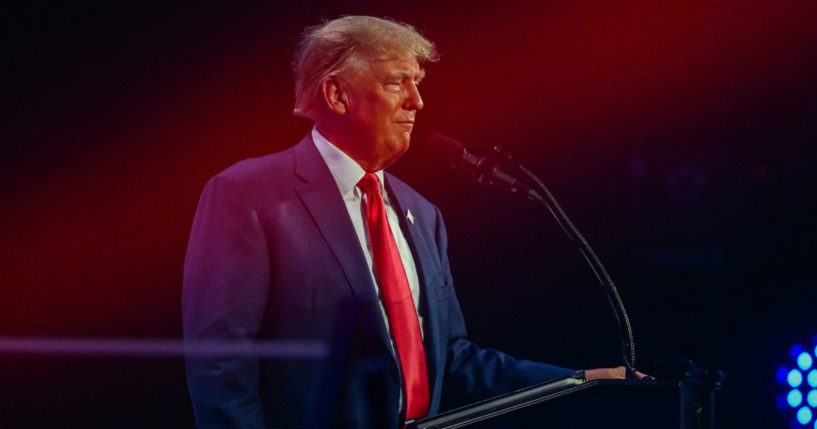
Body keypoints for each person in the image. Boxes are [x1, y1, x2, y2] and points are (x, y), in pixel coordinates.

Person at [183, 15, 633, 429]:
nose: (417, 101)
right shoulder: (247, 195)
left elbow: (450, 360)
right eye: (398, 82)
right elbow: (222, 365)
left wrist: (578, 380)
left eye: (417, 83)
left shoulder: (423, 214)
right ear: (337, 94)